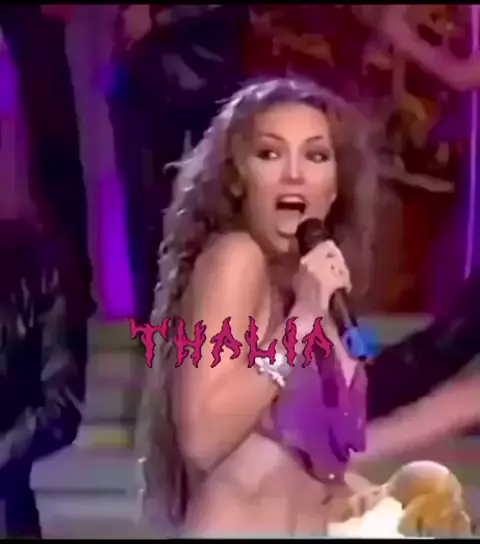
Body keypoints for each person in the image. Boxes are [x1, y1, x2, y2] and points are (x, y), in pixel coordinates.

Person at [138, 77, 470, 537]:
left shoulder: (315, 287)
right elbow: (202, 438)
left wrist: (388, 506)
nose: (294, 174)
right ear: (238, 180)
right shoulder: (236, 259)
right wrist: (303, 319)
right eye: (270, 154)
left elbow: (312, 470)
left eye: (316, 156)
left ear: (334, 187)